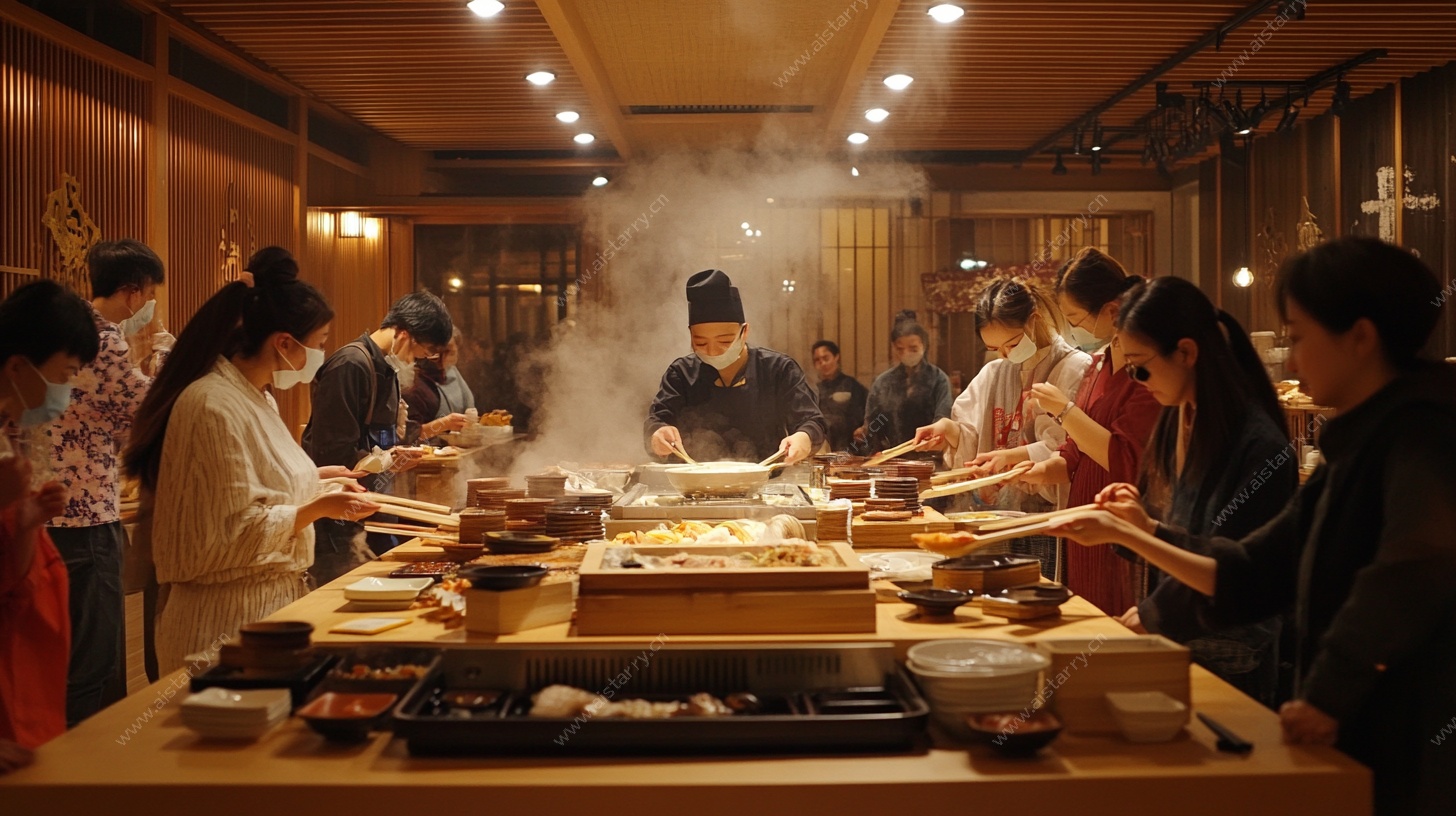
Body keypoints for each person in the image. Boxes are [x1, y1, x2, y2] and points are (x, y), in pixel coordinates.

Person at [1049, 237, 1456, 815]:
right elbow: (1258, 566)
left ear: (1360, 338)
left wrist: (1329, 690)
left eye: (1298, 337)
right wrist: (1138, 536)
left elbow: (1412, 568)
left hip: (1412, 739)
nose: (1290, 361)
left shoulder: (1422, 436)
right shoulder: (1358, 442)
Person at [124, 248, 380, 673]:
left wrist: (317, 481)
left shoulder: (256, 395)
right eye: (318, 343)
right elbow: (228, 530)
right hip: (222, 625)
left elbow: (250, 486)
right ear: (283, 343)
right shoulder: (210, 404)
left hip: (266, 609)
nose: (319, 355)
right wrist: (319, 507)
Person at [1113, 276, 1295, 707]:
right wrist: (1133, 519)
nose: (1138, 380)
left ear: (1187, 352)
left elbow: (1232, 569)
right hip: (1181, 643)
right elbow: (1168, 530)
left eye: (1141, 366)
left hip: (1233, 659)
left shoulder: (1260, 447)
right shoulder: (1178, 416)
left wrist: (1156, 610)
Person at [40, 240, 165, 727]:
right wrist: (170, 368)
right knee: (96, 658)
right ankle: (88, 768)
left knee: (69, 652)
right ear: (134, 290)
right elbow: (143, 410)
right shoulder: (103, 337)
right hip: (87, 513)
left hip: (49, 512)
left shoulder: (63, 333)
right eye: (149, 291)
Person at [1006, 249, 1161, 609]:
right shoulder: (1098, 363)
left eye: (1075, 318)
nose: (1073, 329)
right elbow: (1076, 452)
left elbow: (1126, 459)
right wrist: (1038, 470)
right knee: (1085, 618)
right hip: (1085, 527)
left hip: (1119, 528)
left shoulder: (1145, 373)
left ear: (1111, 309)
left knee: (1116, 634)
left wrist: (1064, 409)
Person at [914, 279, 1090, 571]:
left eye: (1011, 344)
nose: (1005, 355)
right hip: (996, 516)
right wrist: (950, 431)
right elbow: (972, 433)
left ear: (1034, 322)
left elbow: (1071, 453)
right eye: (995, 348)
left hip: (1046, 519)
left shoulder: (1074, 368)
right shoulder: (994, 372)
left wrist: (1012, 457)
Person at [302, 291, 464, 584]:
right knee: (343, 607)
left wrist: (396, 457)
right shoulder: (351, 365)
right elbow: (331, 452)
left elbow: (383, 441)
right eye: (422, 351)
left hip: (374, 511)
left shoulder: (385, 369)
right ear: (404, 333)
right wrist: (386, 459)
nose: (420, 360)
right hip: (342, 523)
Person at [0, 279, 99, 755]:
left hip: (26, 681)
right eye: (65, 373)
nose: (66, 390)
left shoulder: (11, 434)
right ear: (18, 366)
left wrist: (25, 521)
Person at [647, 269, 825, 464]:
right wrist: (657, 434)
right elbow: (657, 421)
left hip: (767, 484)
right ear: (690, 335)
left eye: (724, 341)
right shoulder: (681, 374)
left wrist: (804, 437)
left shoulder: (778, 369)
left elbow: (812, 421)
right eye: (701, 343)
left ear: (745, 331)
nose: (713, 352)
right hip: (694, 485)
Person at [860, 310, 953, 453]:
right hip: (889, 459)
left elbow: (942, 419)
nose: (906, 353)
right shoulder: (883, 382)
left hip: (929, 458)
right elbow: (872, 423)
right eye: (900, 349)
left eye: (913, 348)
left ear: (924, 345)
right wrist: (873, 451)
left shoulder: (938, 379)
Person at [403, 328, 476, 439]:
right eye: (436, 352)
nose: (442, 360)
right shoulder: (413, 384)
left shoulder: (452, 372)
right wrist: (444, 424)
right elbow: (409, 436)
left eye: (449, 352)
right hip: (427, 453)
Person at [810, 340, 867, 452]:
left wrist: (864, 429)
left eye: (826, 358)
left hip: (851, 450)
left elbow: (870, 415)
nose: (823, 363)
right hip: (822, 450)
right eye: (817, 360)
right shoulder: (814, 391)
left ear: (836, 357)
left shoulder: (853, 386)